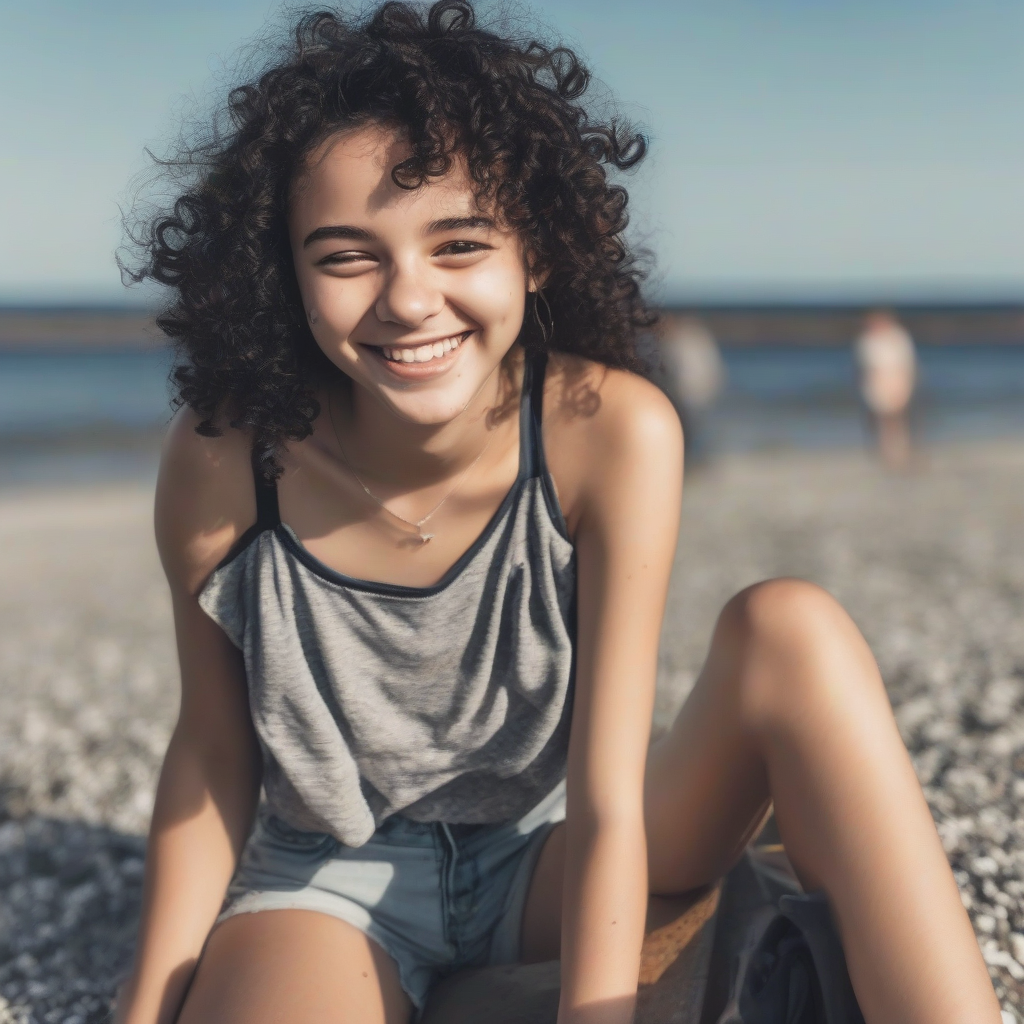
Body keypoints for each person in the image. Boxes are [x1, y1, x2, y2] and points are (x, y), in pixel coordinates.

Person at [114, 4, 1000, 1022]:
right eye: (347, 255)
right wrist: (147, 1007)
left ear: (532, 252)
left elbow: (612, 790)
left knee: (791, 628)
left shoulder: (608, 431)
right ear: (286, 275)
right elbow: (213, 756)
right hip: (332, 879)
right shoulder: (227, 457)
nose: (408, 298)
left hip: (558, 845)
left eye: (457, 242)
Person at [855, 311, 917, 470]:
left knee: (898, 418)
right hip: (877, 383)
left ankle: (901, 451)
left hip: (896, 380)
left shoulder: (898, 337)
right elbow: (865, 367)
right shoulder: (867, 340)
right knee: (883, 419)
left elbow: (906, 363)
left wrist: (904, 383)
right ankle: (887, 451)